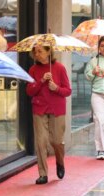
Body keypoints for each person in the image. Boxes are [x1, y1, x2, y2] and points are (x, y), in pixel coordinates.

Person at [26, 45, 71, 184]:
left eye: (40, 51)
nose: (37, 54)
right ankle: (43, 174)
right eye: (35, 51)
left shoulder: (59, 68)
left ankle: (60, 161)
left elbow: (68, 91)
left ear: (48, 51)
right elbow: (29, 91)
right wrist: (41, 81)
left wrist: (56, 88)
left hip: (57, 108)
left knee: (56, 141)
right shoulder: (33, 70)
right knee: (41, 142)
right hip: (39, 108)